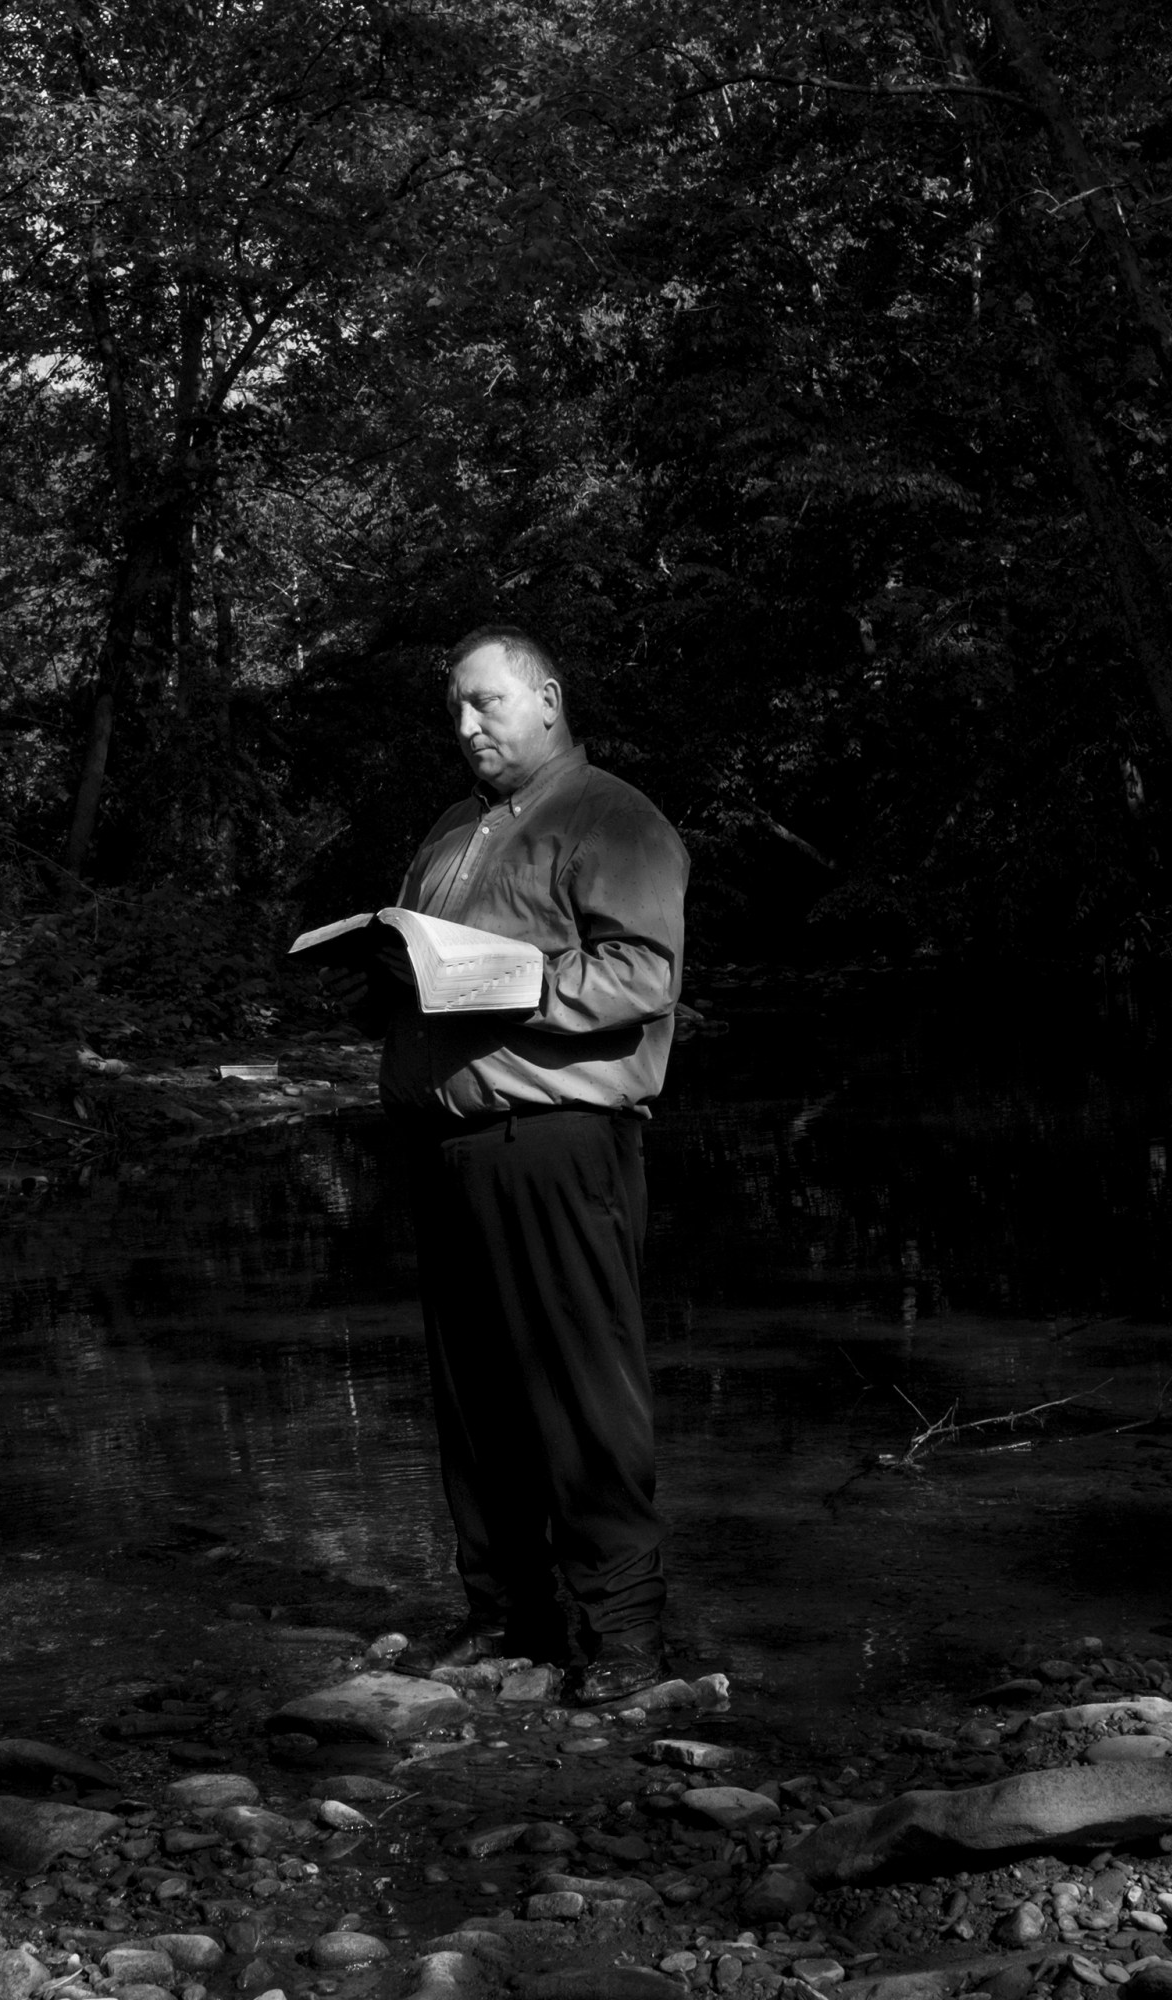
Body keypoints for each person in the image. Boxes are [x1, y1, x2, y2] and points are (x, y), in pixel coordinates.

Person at [368, 626, 690, 1705]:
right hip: (450, 1146)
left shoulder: (611, 815)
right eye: (454, 710)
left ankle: (624, 1642)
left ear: (545, 697)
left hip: (556, 1140)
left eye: (485, 703)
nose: (466, 728)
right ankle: (509, 1615)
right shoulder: (451, 830)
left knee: (585, 1396)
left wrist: (501, 984)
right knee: (478, 1402)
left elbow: (640, 975)